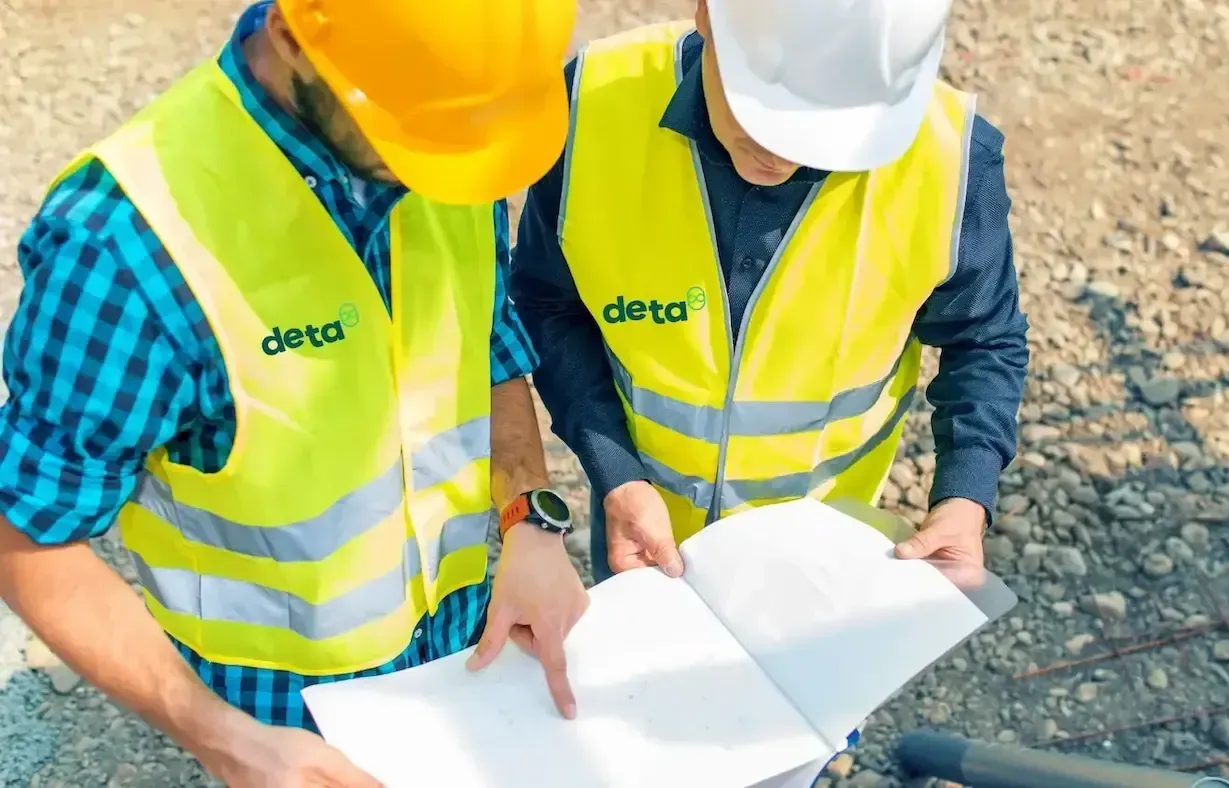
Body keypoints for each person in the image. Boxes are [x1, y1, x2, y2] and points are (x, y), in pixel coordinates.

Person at [0, 1, 584, 785]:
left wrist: (527, 520)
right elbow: (30, 536)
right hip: (276, 709)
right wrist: (225, 741)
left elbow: (485, 334)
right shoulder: (124, 247)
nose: (443, 164)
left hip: (459, 655)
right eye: (413, 135)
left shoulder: (450, 129)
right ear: (291, 39)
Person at [511, 0, 1029, 584]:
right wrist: (616, 472)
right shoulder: (594, 107)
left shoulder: (949, 159)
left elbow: (984, 338)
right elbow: (547, 303)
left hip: (829, 558)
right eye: (765, 114)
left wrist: (965, 494)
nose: (782, 153)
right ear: (706, 13)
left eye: (824, 129)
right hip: (644, 545)